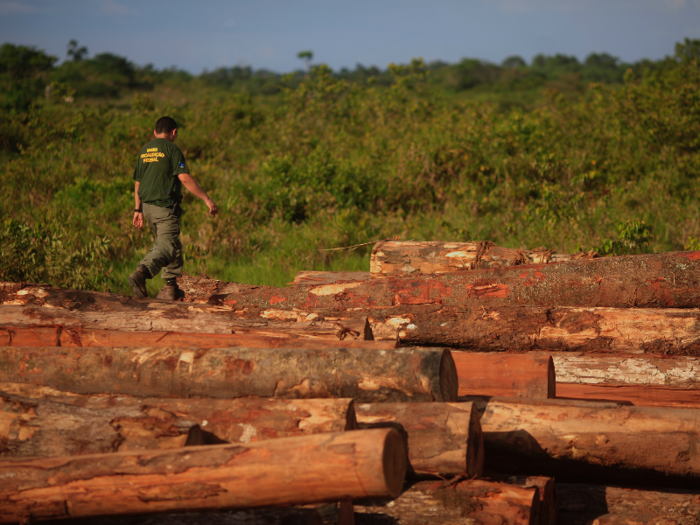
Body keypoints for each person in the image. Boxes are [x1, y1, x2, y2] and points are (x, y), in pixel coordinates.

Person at [128, 116, 218, 300]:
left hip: (147, 208)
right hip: (163, 208)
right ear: (174, 132)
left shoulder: (144, 150)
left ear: (155, 132)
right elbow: (184, 178)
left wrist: (137, 210)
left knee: (174, 245)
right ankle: (141, 272)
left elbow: (138, 183)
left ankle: (171, 288)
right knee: (166, 247)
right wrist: (207, 199)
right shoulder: (172, 149)